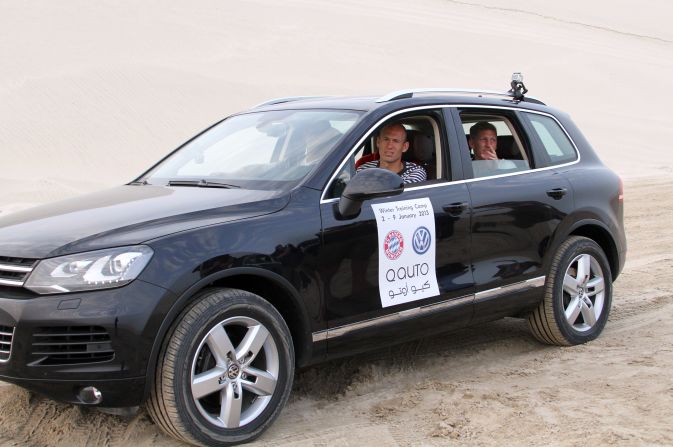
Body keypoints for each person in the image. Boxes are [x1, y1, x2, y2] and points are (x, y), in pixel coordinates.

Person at [356, 123, 426, 183]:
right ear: (378, 142)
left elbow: (397, 197)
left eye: (395, 141)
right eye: (386, 139)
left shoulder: (414, 172)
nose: (389, 146)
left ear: (405, 147)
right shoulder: (364, 169)